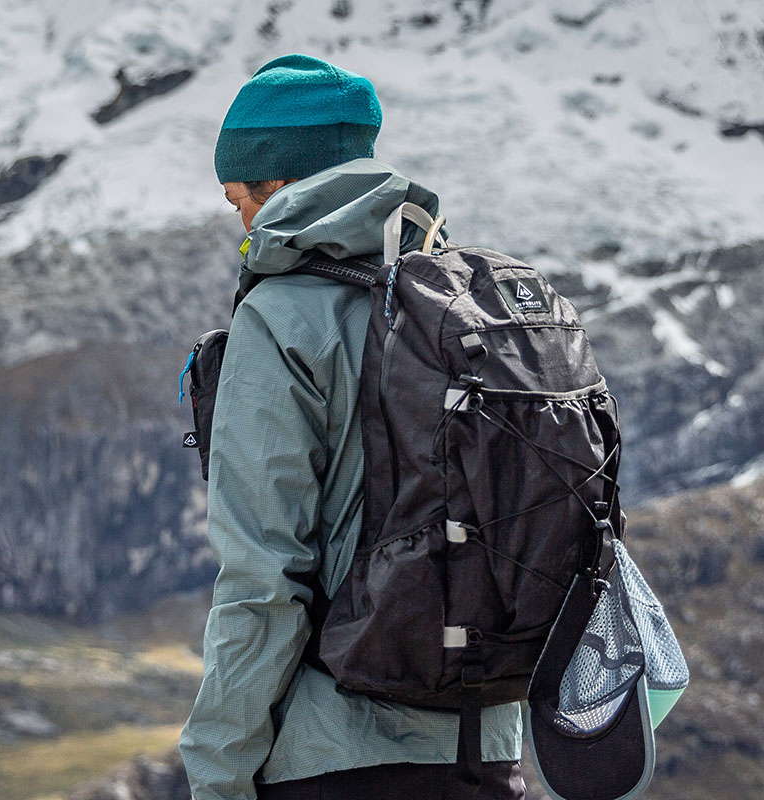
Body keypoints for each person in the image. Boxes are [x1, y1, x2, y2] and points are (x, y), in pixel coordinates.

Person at [178, 55, 525, 799]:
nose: (239, 221)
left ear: (280, 188)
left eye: (240, 198)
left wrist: (218, 773)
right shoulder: (464, 312)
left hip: (339, 756)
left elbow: (264, 584)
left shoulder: (281, 320)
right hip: (487, 750)